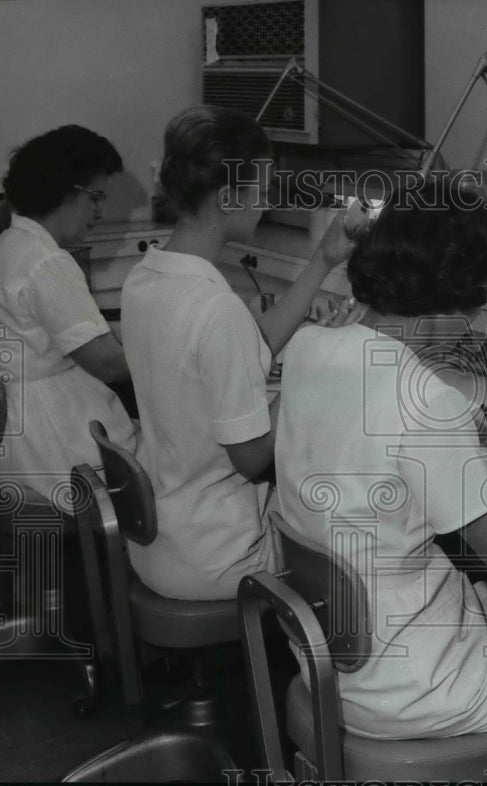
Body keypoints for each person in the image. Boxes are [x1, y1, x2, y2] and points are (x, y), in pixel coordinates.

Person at [272, 179, 487, 765]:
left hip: (327, 655)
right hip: (411, 684)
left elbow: (377, 448)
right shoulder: (421, 397)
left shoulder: (309, 348)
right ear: (460, 296)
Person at [121, 105, 363, 601]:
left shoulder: (146, 279)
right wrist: (310, 369)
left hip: (159, 541)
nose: (268, 200)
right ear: (230, 196)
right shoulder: (214, 308)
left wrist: (324, 260)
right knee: (362, 543)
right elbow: (253, 458)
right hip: (221, 559)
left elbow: (250, 346)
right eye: (263, 187)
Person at [0, 125, 137, 504]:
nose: (100, 211)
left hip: (14, 440)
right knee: (175, 462)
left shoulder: (7, 248)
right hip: (52, 447)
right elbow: (108, 364)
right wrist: (175, 359)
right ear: (66, 190)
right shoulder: (46, 261)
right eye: (95, 197)